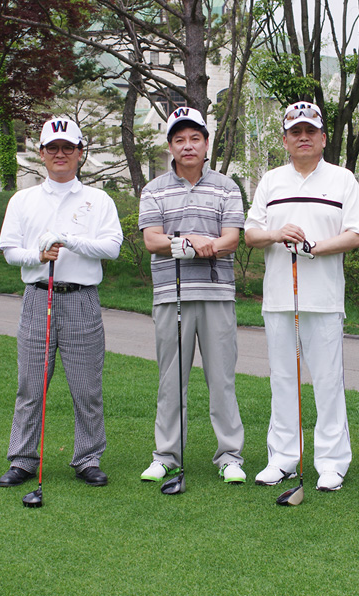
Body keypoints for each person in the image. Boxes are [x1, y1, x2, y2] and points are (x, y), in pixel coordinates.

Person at [244, 101, 359, 492]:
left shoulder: (342, 179)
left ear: (323, 138)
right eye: (295, 132)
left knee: (328, 381)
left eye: (310, 131)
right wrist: (277, 234)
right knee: (283, 380)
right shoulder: (271, 181)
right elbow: (251, 233)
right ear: (285, 140)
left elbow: (356, 234)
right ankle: (282, 459)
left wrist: (315, 247)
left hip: (324, 299)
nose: (303, 137)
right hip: (279, 298)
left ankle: (331, 463)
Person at [0, 117, 123, 488]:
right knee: (30, 386)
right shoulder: (23, 200)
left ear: (80, 153)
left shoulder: (98, 200)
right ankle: (23, 459)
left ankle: (88, 458)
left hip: (82, 299)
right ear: (41, 153)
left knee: (87, 388)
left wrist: (68, 240)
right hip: (39, 298)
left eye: (68, 147)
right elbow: (9, 250)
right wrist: (38, 255)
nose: (60, 154)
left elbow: (111, 247)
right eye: (52, 147)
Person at [137, 107, 247, 484]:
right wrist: (190, 241)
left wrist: (199, 243)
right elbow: (152, 240)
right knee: (171, 380)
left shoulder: (226, 187)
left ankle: (230, 456)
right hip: (172, 294)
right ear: (170, 146)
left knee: (222, 380)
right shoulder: (154, 189)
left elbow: (231, 239)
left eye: (195, 138)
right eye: (180, 139)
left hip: (217, 294)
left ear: (206, 143)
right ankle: (166, 455)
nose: (188, 146)